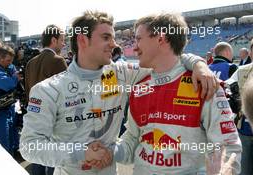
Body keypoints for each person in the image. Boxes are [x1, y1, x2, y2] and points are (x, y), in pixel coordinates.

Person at [20, 11, 217, 175]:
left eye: (113, 38)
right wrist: (81, 153)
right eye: (106, 37)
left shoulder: (122, 73)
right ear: (82, 40)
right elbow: (30, 146)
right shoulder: (48, 90)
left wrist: (198, 64)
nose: (114, 44)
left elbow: (167, 58)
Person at [112, 13, 242, 175]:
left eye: (138, 39)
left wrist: (223, 170)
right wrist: (109, 151)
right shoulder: (140, 86)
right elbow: (132, 139)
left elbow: (228, 146)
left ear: (161, 39)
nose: (134, 47)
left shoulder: (204, 84)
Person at [24, 24, 67, 175]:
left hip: (35, 116)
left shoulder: (31, 62)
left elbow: (28, 91)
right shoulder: (58, 61)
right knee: (53, 161)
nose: (64, 44)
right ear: (54, 40)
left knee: (37, 158)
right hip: (54, 119)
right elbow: (66, 94)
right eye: (62, 40)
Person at [226, 40, 253, 175]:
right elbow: (227, 88)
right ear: (251, 53)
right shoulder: (241, 71)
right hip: (245, 129)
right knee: (245, 170)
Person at [0, 46, 20, 155]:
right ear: (0, 58)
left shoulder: (7, 67)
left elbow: (14, 70)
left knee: (11, 139)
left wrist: (14, 75)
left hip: (8, 109)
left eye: (11, 60)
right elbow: (8, 85)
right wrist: (15, 78)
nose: (10, 63)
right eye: (8, 60)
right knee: (2, 144)